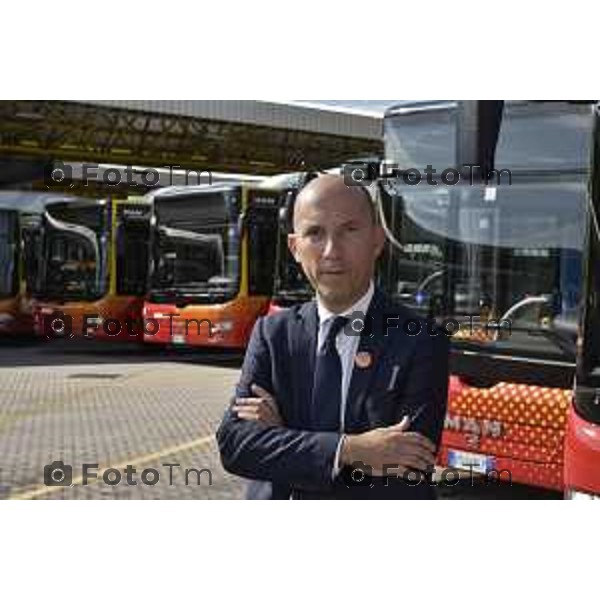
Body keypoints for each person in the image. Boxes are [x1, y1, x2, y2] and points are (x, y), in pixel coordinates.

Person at [216, 174, 449, 499]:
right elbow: (235, 445)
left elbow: (405, 468)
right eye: (314, 233)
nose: (331, 251)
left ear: (377, 240)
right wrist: (352, 449)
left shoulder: (420, 339)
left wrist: (283, 437)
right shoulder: (272, 333)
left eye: (349, 230)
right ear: (294, 248)